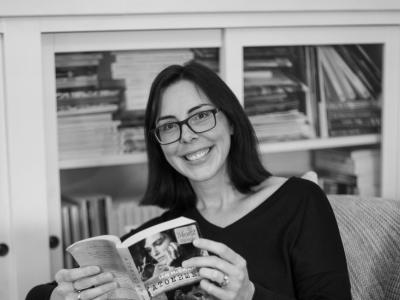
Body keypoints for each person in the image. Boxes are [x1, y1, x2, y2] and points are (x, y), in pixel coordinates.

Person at [26, 61, 352, 300]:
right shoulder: (159, 237)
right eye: (169, 126)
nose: (188, 137)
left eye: (200, 116)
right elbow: (38, 295)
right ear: (160, 143)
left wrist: (249, 295)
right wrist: (63, 294)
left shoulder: (300, 201)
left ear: (231, 122)